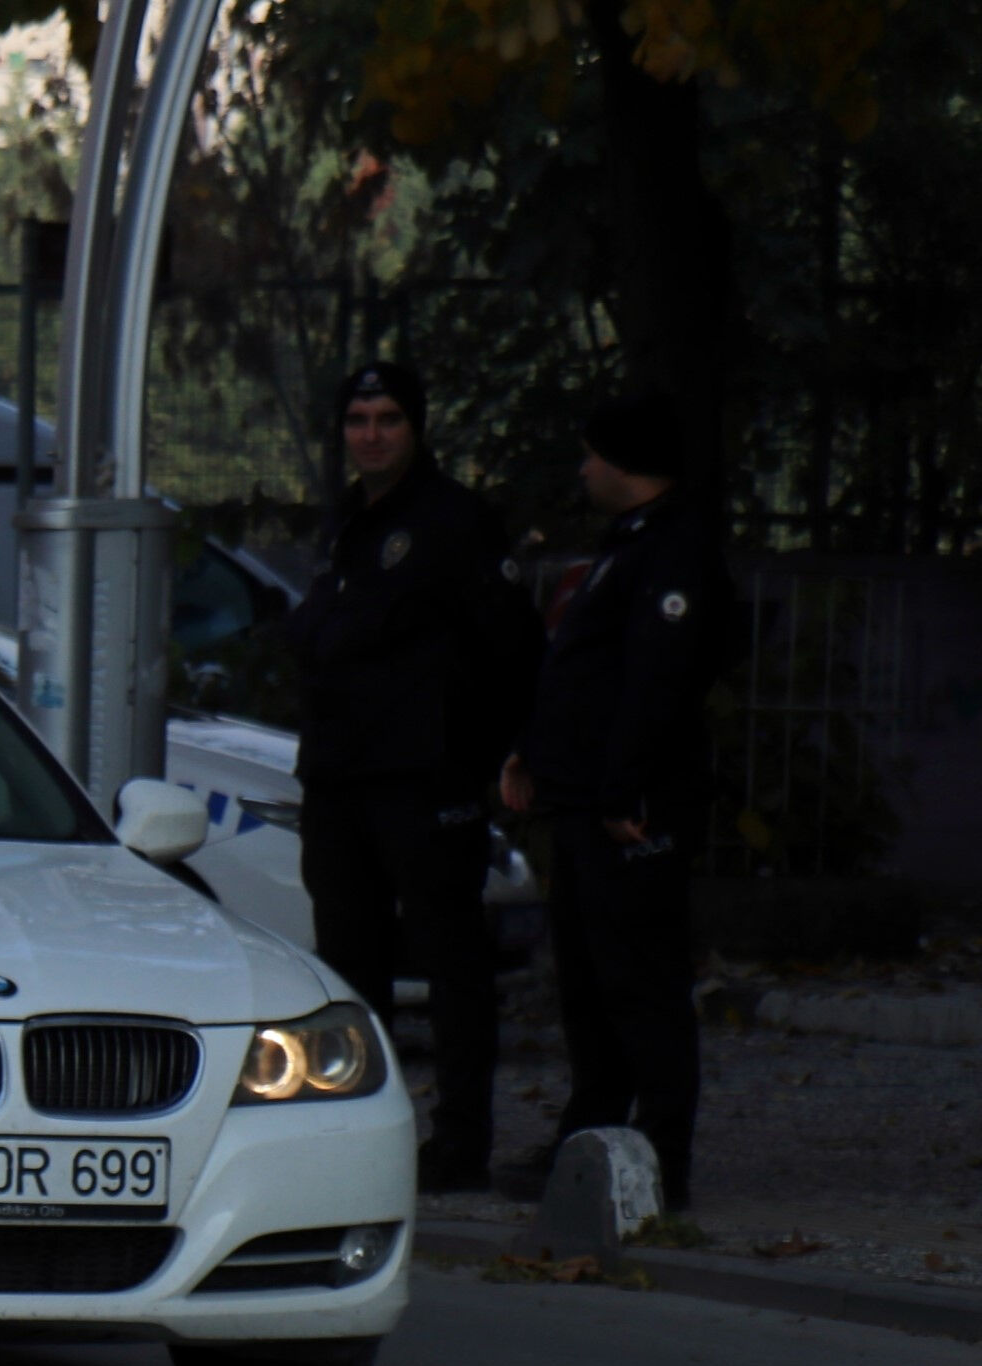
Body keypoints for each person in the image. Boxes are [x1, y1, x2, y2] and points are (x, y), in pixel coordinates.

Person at [281, 360, 541, 1191]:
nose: (371, 435)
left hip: (423, 782)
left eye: (388, 418)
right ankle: (362, 1139)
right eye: (358, 420)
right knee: (348, 967)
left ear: (416, 427)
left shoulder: (454, 522)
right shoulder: (349, 523)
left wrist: (481, 761)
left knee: (451, 965)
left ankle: (460, 1142)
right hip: (342, 780)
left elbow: (510, 651)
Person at [501, 390, 735, 1212]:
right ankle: (589, 1142)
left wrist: (624, 785)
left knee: (640, 982)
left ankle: (660, 1157)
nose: (583, 467)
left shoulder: (674, 549)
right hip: (590, 801)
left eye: (593, 452)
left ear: (625, 461)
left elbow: (658, 680)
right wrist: (538, 750)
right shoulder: (629, 543)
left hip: (632, 807)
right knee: (590, 982)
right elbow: (587, 668)